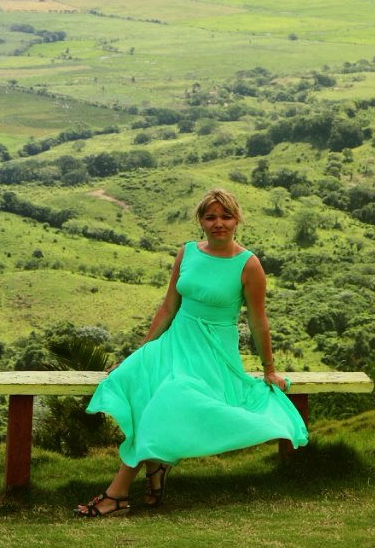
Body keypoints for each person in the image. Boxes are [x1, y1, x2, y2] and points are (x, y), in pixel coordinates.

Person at [74, 188, 307, 517]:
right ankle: (154, 468)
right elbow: (169, 306)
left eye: (226, 217)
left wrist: (269, 369)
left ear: (237, 220)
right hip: (176, 342)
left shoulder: (248, 265)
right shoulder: (186, 253)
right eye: (210, 217)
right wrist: (142, 353)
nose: (218, 224)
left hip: (211, 353)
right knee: (133, 382)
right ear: (201, 221)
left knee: (169, 396)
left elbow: (258, 322)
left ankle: (118, 494)